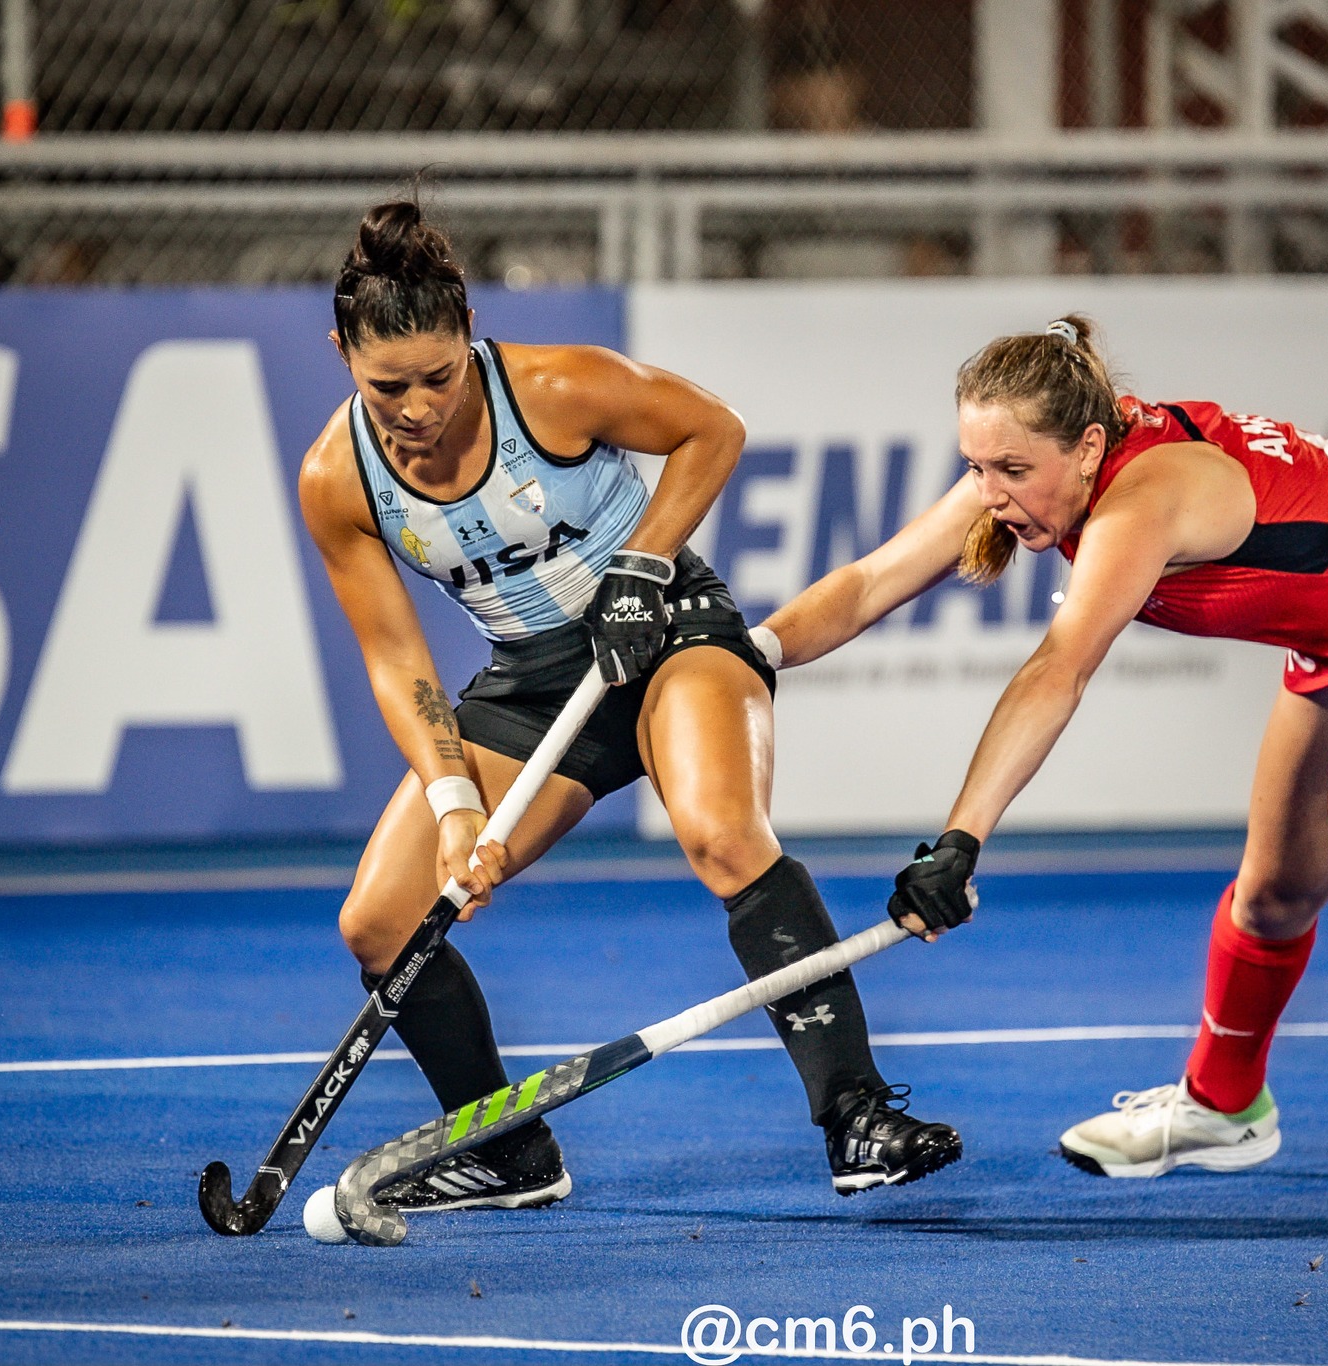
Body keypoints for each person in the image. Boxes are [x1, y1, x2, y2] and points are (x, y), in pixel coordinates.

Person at [757, 315, 1328, 1231]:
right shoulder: (1023, 472)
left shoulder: (1148, 496)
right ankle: (1224, 1109)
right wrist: (750, 653)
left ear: (1090, 444)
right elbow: (867, 585)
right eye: (976, 467)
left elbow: (1056, 670)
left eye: (1012, 472)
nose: (989, 494)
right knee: (1271, 898)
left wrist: (958, 842)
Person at [299, 198, 960, 1216]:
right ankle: (507, 1150)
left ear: (469, 340)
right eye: (390, 384)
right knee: (381, 922)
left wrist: (640, 564)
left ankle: (857, 1115)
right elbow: (396, 659)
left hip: (666, 630)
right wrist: (454, 806)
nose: (420, 406)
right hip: (528, 678)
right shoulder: (337, 478)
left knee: (721, 835)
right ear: (341, 351)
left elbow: (712, 429)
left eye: (439, 375)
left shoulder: (554, 388)